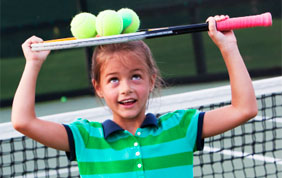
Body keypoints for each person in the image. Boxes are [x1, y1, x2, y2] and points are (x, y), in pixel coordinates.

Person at [12, 15, 257, 177]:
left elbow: (244, 109)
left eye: (136, 76)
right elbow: (23, 121)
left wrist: (228, 47)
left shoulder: (182, 127)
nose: (126, 88)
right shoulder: (85, 138)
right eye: (114, 80)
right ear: (98, 87)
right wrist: (33, 64)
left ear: (152, 80)